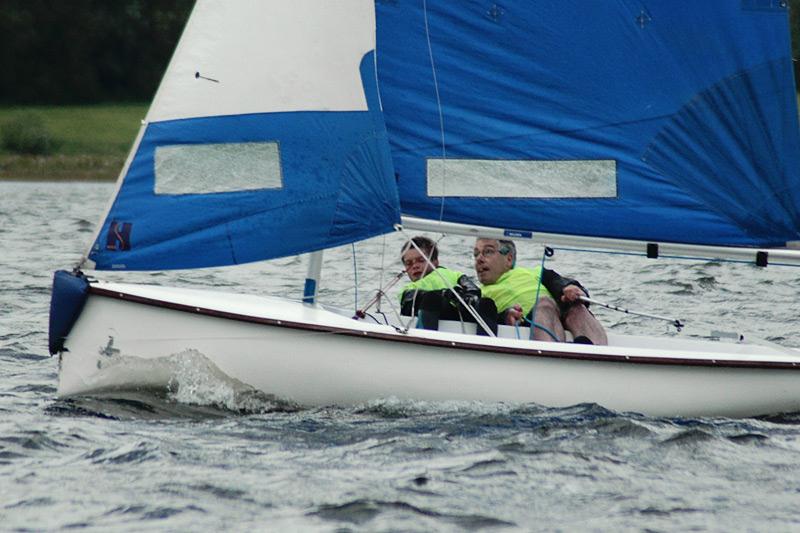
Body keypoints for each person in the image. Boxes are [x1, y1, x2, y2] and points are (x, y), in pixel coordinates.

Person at [473, 238, 607, 345]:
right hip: (528, 322)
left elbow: (561, 283)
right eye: (476, 254)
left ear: (509, 259)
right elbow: (489, 318)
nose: (479, 259)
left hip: (558, 315)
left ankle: (598, 353)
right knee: (544, 303)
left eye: (488, 252)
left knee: (577, 308)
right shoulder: (477, 294)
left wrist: (570, 289)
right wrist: (505, 315)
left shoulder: (535, 272)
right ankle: (553, 357)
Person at [399, 236, 497, 335]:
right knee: (431, 298)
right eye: (409, 263)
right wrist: (444, 293)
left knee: (487, 303)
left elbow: (473, 290)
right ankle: (425, 342)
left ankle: (489, 344)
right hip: (431, 313)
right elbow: (409, 302)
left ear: (435, 261)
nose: (415, 266)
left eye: (421, 260)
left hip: (460, 313)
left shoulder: (455, 275)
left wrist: (468, 297)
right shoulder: (408, 289)